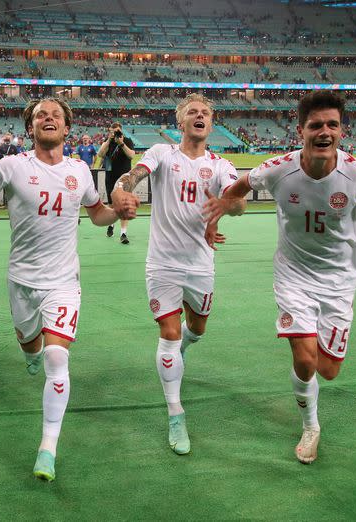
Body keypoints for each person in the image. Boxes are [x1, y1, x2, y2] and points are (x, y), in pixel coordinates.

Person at [204, 90, 356, 465]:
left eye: (332, 124)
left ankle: (313, 363)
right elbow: (240, 186)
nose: (324, 131)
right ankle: (310, 426)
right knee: (304, 360)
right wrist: (218, 212)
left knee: (328, 370)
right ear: (300, 129)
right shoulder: (277, 168)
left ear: (341, 130)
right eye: (316, 125)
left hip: (339, 280)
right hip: (293, 275)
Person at [0, 98, 136, 481]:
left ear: (67, 127)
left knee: (58, 361)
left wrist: (117, 212)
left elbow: (95, 215)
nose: (49, 118)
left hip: (63, 283)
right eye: (41, 114)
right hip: (21, 282)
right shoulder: (12, 167)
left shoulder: (80, 172)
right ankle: (30, 350)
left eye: (56, 114)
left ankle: (47, 448)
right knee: (30, 346)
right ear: (31, 127)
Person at [110, 94, 244, 455]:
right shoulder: (161, 153)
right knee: (168, 334)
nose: (199, 117)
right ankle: (175, 412)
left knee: (196, 331)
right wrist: (121, 190)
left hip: (201, 264)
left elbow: (239, 202)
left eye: (205, 113)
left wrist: (227, 205)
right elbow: (132, 175)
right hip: (163, 263)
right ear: (180, 121)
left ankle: (186, 343)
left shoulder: (220, 165)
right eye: (192, 113)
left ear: (211, 124)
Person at [96, 122, 135, 244]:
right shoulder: (108, 142)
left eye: (117, 131)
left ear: (121, 131)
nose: (115, 133)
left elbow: (131, 156)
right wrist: (109, 140)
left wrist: (121, 143)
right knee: (112, 205)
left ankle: (123, 233)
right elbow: (100, 154)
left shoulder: (127, 141)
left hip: (124, 178)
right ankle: (112, 224)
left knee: (124, 205)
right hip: (110, 177)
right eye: (112, 131)